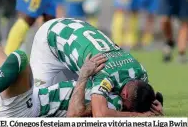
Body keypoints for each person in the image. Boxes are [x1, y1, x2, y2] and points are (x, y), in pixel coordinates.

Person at [0, 36, 162, 118]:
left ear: (127, 97)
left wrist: (85, 75)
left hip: (25, 108)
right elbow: (141, 99)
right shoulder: (117, 98)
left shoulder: (110, 105)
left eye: (126, 89)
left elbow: (78, 112)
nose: (120, 86)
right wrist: (151, 105)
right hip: (23, 96)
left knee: (20, 59)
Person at [30, 18, 161, 117]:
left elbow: (144, 94)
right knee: (35, 105)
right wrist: (136, 116)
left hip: (75, 30)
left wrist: (154, 105)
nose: (124, 107)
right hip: (49, 38)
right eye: (126, 106)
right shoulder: (103, 71)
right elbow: (100, 115)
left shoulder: (140, 71)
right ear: (125, 94)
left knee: (83, 99)